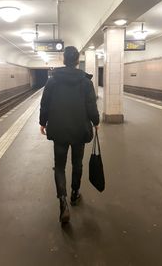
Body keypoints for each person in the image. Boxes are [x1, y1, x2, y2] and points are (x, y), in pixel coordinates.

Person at [39, 46, 99, 224]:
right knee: (77, 163)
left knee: (59, 166)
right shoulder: (85, 81)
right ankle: (74, 194)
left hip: (59, 129)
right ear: (77, 60)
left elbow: (45, 104)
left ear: (64, 59)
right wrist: (96, 122)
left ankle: (63, 202)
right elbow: (91, 105)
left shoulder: (53, 80)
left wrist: (43, 122)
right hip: (79, 128)